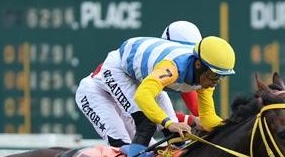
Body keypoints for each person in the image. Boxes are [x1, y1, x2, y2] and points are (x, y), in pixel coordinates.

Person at [77, 29, 236, 157]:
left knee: (172, 135)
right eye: (215, 75)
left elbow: (208, 120)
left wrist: (234, 128)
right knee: (146, 125)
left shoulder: (206, 77)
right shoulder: (173, 68)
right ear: (199, 65)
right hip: (115, 73)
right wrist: (169, 122)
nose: (216, 81)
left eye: (222, 77)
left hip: (140, 76)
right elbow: (143, 96)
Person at [75, 20, 203, 148]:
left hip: (127, 96)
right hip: (97, 93)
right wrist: (191, 120)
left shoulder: (178, 67)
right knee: (123, 145)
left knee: (154, 150)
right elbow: (153, 111)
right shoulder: (169, 65)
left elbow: (195, 111)